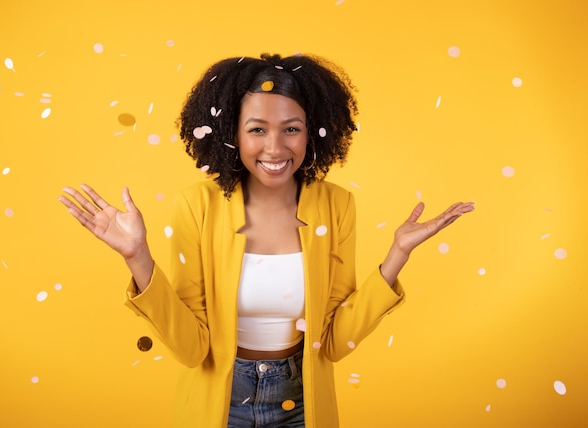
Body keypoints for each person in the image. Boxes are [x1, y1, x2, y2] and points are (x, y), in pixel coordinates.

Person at [59, 53, 474, 428]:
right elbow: (191, 350)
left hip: (303, 400)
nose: (275, 148)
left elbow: (333, 343)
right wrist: (138, 257)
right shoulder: (196, 206)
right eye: (257, 129)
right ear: (230, 134)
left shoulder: (337, 205)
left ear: (312, 133)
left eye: (291, 129)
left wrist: (397, 255)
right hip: (220, 405)